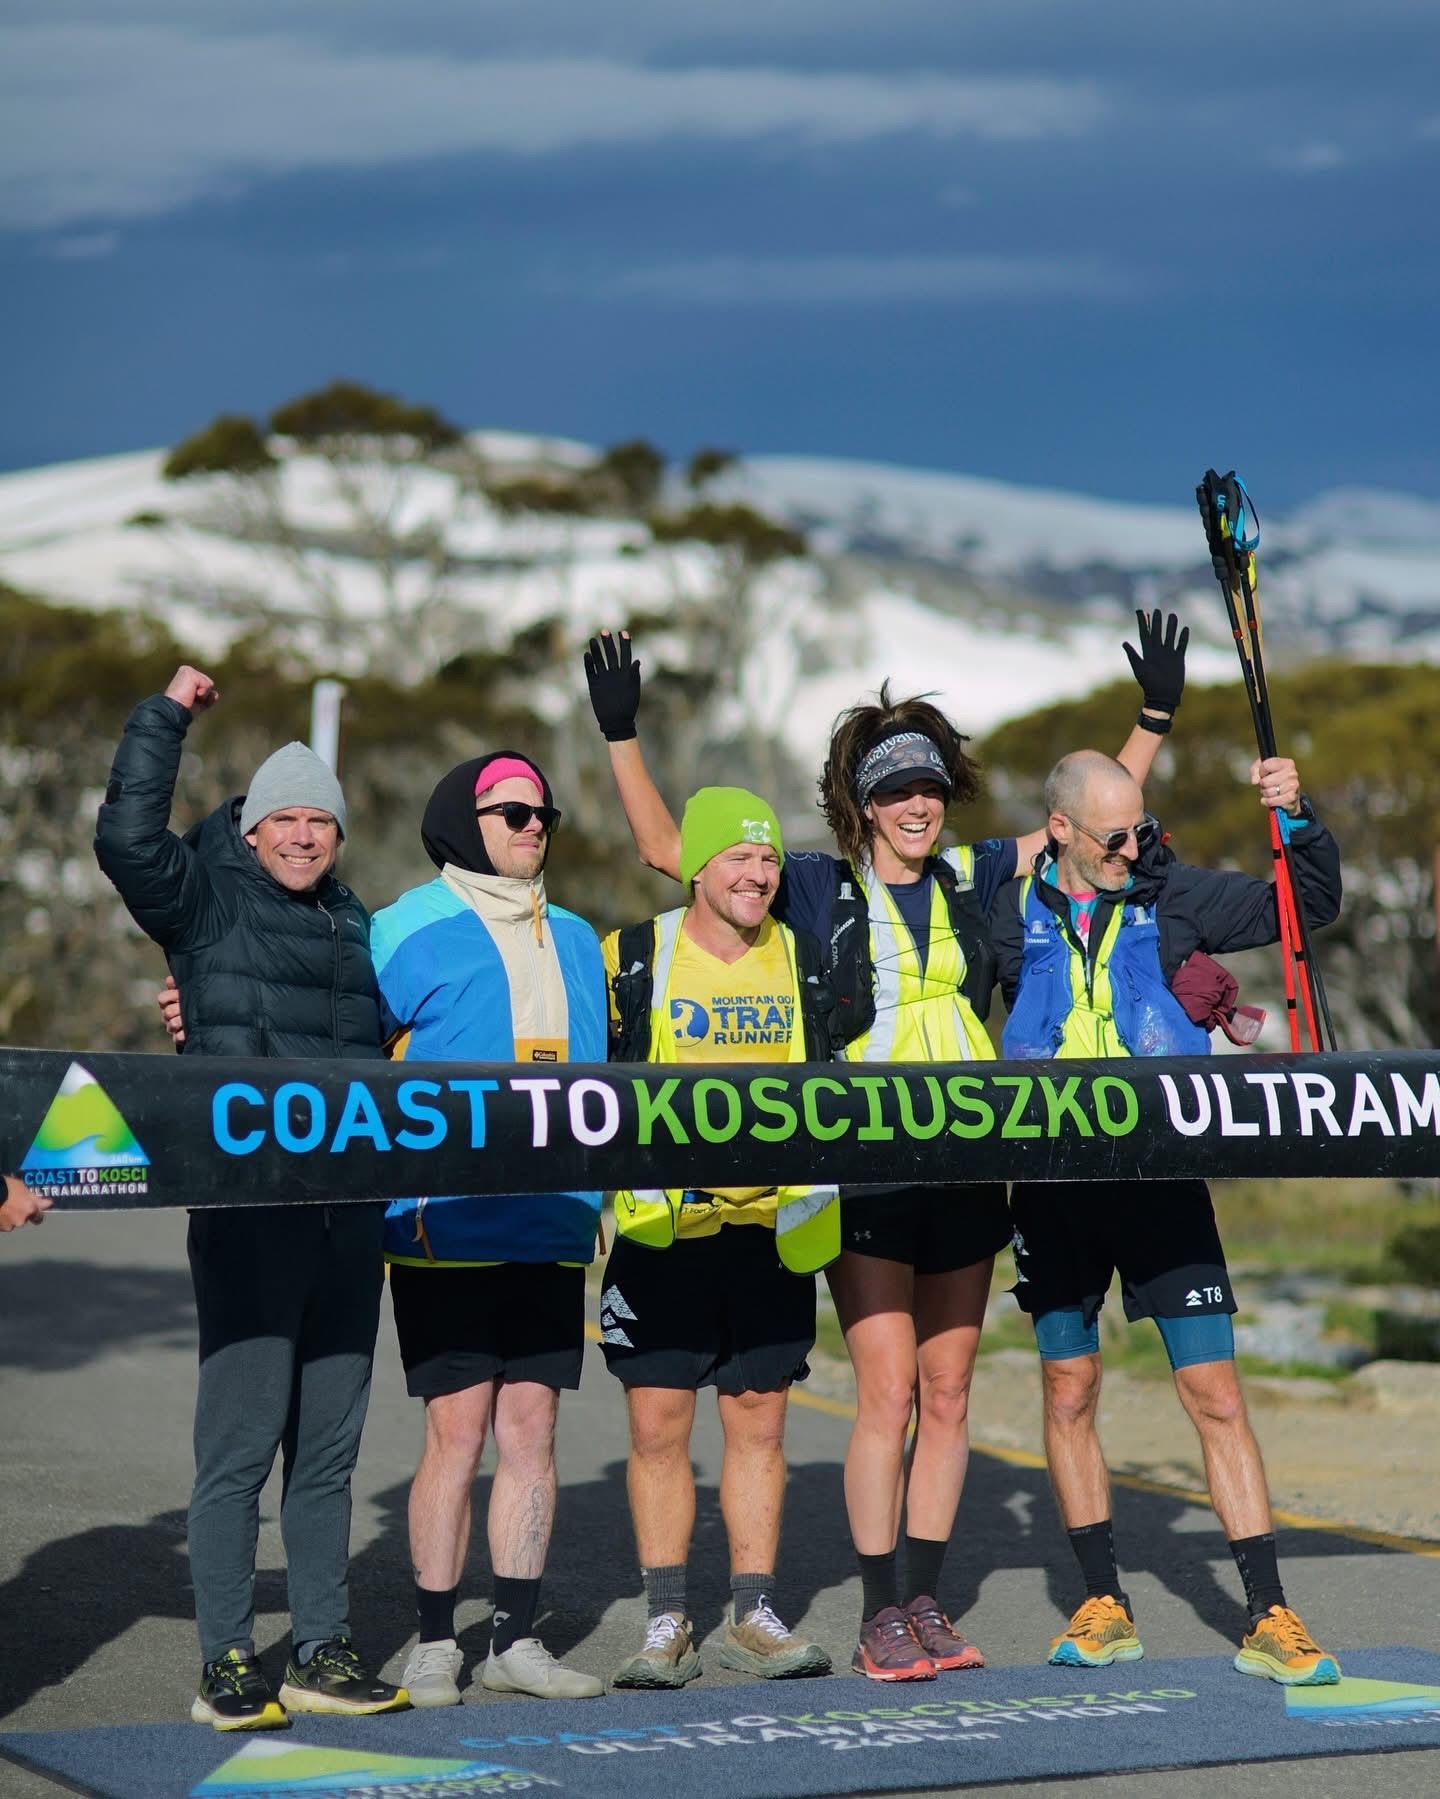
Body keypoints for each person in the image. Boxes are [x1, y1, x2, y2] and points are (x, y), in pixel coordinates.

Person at [583, 615, 1185, 1680]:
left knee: (949, 1395)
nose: (918, 804)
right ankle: (876, 1613)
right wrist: (622, 735)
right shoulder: (818, 886)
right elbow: (677, 853)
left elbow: (1091, 828)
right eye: (897, 789)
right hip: (866, 1171)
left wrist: (1152, 719)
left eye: (930, 787)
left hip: (967, 1169)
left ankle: (924, 1602)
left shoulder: (970, 875)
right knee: (889, 1392)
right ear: (863, 804)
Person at [93, 665, 406, 1731]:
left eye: (322, 821)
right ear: (253, 825)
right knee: (238, 1449)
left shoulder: (354, 922)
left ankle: (320, 1649)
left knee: (328, 1455)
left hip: (348, 1221)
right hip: (249, 1218)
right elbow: (127, 840)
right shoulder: (207, 896)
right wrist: (167, 714)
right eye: (287, 819)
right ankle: (227, 1661)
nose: (305, 836)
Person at [994, 746, 1343, 1685]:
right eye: (1113, 837)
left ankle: (1270, 1613)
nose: (1131, 849)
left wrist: (1298, 817)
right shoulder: (1006, 910)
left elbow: (1306, 904)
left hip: (1162, 1184)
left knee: (1216, 1393)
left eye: (1140, 830)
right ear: (1059, 829)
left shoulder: (1173, 895)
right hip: (1053, 1190)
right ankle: (1102, 1601)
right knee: (1069, 1389)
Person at [370, 753, 606, 1705]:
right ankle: (435, 1641)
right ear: (464, 822)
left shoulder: (580, 937)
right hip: (446, 1225)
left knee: (532, 1429)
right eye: (513, 812)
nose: (533, 824)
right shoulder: (403, 925)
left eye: (543, 812)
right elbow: (334, 1039)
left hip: (551, 1223)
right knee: (457, 1431)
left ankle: (515, 1638)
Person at [601, 787, 833, 1689]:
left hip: (769, 1229)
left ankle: (753, 1615)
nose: (759, 873)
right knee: (659, 1428)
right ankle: (666, 1621)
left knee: (760, 1425)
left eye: (769, 858)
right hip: (666, 1231)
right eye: (739, 856)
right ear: (695, 866)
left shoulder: (803, 957)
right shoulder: (636, 954)